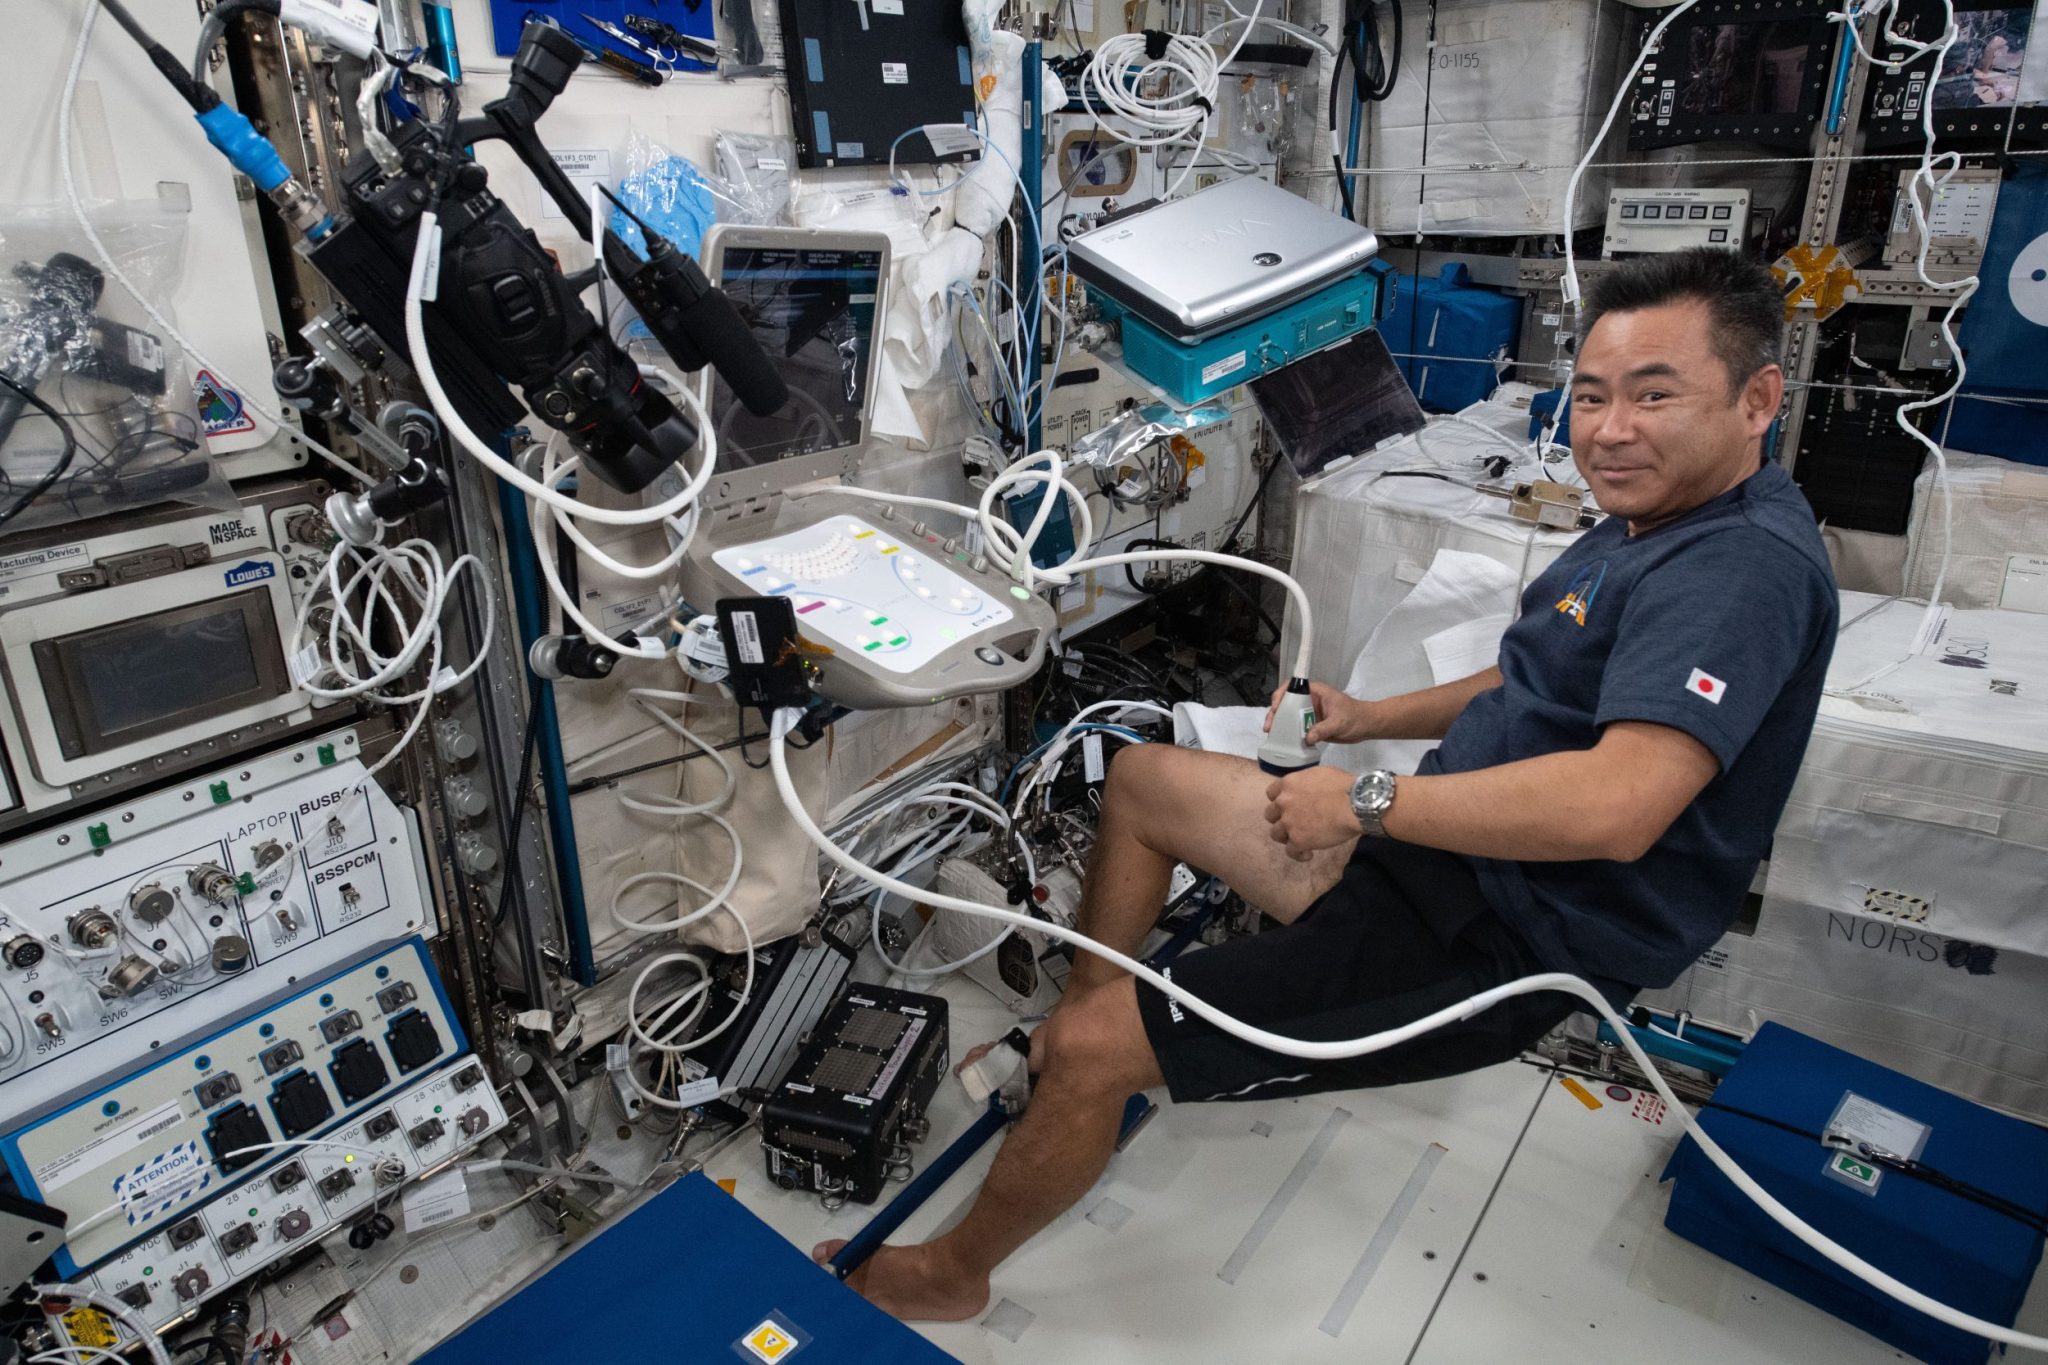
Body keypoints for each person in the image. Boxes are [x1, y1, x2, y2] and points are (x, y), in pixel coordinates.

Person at [813, 246, 1840, 1322]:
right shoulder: (1651, 521)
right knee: (1144, 782)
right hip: (1441, 860)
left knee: (1088, 1049)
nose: (1608, 428)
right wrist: (1369, 720)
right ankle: (1092, 1061)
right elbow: (1544, 677)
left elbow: (1617, 809)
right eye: (1589, 397)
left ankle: (953, 1270)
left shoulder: (1737, 569)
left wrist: (1363, 799)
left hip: (1504, 941)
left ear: (1755, 400)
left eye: (1652, 395)